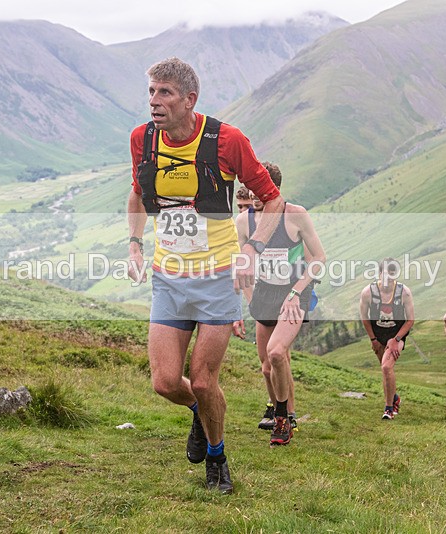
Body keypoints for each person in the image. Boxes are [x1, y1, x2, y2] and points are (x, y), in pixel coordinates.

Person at [127, 57, 284, 494]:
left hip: (216, 278)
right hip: (169, 277)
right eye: (151, 92)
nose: (154, 102)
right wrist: (135, 244)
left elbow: (273, 200)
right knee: (164, 382)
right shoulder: (143, 139)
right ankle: (201, 411)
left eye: (165, 93)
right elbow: (138, 193)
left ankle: (217, 459)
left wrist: (251, 249)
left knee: (202, 378)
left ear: (189, 100)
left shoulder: (227, 140)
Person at [234, 162, 326, 445]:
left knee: (276, 353)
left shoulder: (295, 215)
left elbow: (319, 259)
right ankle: (283, 412)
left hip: (293, 294)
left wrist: (297, 293)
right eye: (252, 188)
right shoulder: (244, 222)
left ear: (274, 189)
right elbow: (245, 267)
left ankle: (283, 419)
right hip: (264, 294)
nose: (255, 194)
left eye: (261, 189)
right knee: (266, 367)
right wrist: (248, 302)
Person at [359, 258, 415, 420]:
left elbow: (410, 320)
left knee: (386, 368)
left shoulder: (404, 292)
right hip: (378, 335)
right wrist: (373, 340)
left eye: (392, 273)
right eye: (385, 273)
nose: (388, 277)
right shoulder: (368, 293)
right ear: (379, 273)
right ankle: (394, 397)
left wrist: (396, 339)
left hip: (396, 335)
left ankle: (389, 408)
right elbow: (364, 318)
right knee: (385, 371)